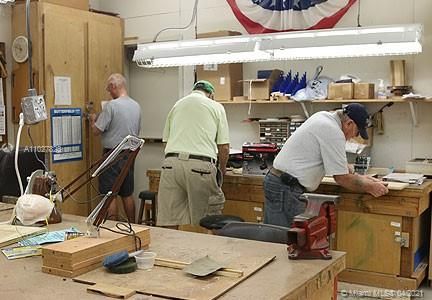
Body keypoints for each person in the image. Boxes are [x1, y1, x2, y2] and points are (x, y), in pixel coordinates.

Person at [264, 103, 389, 227]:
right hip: (285, 188)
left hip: (282, 184)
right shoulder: (333, 131)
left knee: (287, 237)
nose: (353, 137)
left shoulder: (324, 117)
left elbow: (342, 167)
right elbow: (342, 178)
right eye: (356, 132)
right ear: (349, 123)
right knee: (283, 239)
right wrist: (370, 187)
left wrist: (365, 179)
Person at [157, 80, 230, 229]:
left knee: (170, 219)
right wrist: (222, 169)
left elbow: (166, 141)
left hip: (171, 165)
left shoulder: (177, 105)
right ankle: (208, 252)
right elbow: (224, 147)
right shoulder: (216, 106)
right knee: (209, 218)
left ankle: (169, 252)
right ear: (211, 95)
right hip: (200, 167)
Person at [89, 73, 141, 223]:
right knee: (127, 193)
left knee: (109, 194)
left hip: (112, 155)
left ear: (113, 86)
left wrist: (92, 120)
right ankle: (133, 226)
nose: (108, 92)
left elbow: (96, 130)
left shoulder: (112, 106)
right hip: (130, 154)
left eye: (108, 88)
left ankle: (112, 228)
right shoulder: (136, 106)